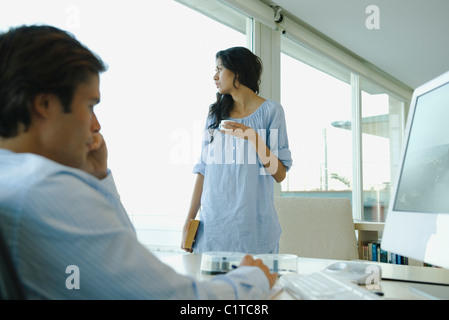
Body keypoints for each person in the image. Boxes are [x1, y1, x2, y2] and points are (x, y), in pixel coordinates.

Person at [0, 25, 277, 299]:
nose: (96, 124)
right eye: (89, 106)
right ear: (44, 104)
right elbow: (178, 299)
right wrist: (253, 277)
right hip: (223, 239)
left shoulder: (13, 179)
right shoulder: (47, 190)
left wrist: (99, 177)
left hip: (250, 229)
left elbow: (122, 259)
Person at [182, 47, 292, 254]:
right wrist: (189, 221)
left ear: (238, 72)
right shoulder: (214, 115)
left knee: (258, 285)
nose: (214, 76)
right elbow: (203, 170)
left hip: (254, 230)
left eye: (220, 69)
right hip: (213, 227)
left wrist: (253, 138)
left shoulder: (272, 112)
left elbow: (279, 174)